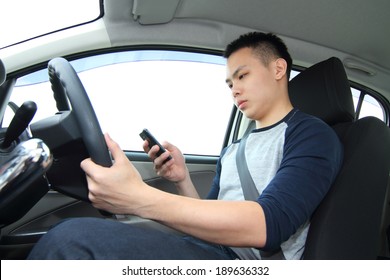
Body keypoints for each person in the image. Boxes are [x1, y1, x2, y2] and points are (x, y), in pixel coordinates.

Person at [28, 32, 343, 260]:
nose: (235, 90)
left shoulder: (311, 135)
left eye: (243, 75)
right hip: (211, 252)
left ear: (277, 69)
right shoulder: (235, 149)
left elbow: (268, 224)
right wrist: (181, 179)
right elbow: (211, 214)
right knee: (73, 232)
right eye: (230, 83)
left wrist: (137, 197)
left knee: (70, 241)